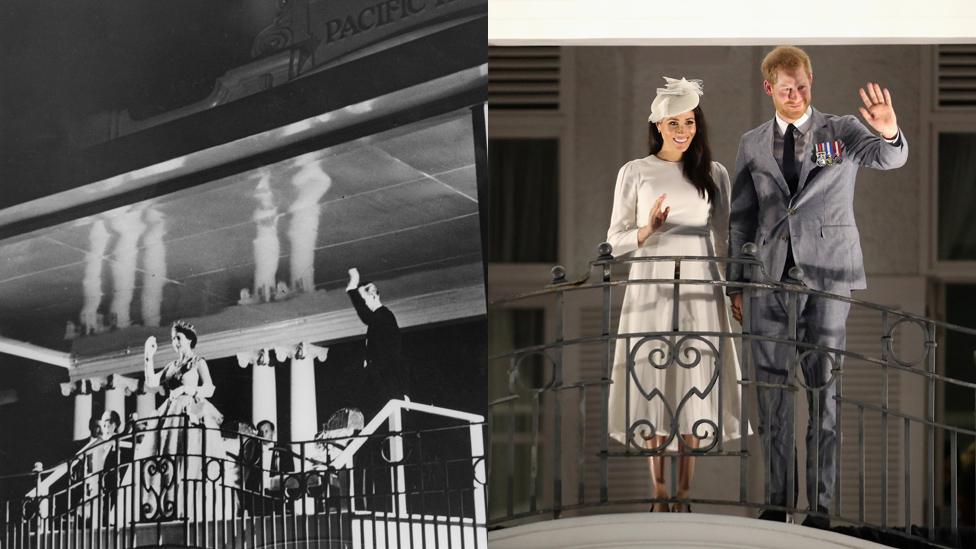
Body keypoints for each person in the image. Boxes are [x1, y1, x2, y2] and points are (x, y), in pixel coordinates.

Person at [727, 46, 908, 529]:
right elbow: (741, 219)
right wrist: (736, 285)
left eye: (803, 86)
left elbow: (888, 158)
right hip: (767, 277)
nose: (796, 95)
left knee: (824, 392)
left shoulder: (842, 130)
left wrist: (889, 131)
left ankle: (821, 509)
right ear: (769, 88)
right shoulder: (752, 143)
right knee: (771, 393)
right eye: (786, 88)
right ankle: (775, 501)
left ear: (811, 81)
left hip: (828, 276)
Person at [606, 77, 747, 512]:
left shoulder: (714, 173)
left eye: (689, 122)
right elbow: (613, 241)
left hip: (701, 283)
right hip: (650, 280)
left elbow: (725, 238)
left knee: (697, 374)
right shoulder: (635, 171)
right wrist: (647, 228)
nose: (683, 131)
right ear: (659, 126)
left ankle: (685, 492)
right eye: (674, 123)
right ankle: (659, 491)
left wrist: (734, 289)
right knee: (649, 371)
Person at [139, 320, 225, 519]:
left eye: (178, 338)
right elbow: (151, 381)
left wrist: (187, 389)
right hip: (170, 414)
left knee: (188, 457)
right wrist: (148, 357)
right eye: (173, 339)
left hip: (189, 411)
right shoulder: (172, 365)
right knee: (167, 456)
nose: (175, 342)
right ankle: (167, 505)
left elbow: (210, 388)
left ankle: (187, 508)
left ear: (189, 339)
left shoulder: (198, 362)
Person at [346, 267, 407, 414]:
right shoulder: (379, 319)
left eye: (362, 299)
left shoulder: (384, 316)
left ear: (373, 295)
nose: (361, 304)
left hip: (387, 377)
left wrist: (352, 290)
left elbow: (396, 357)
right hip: (383, 377)